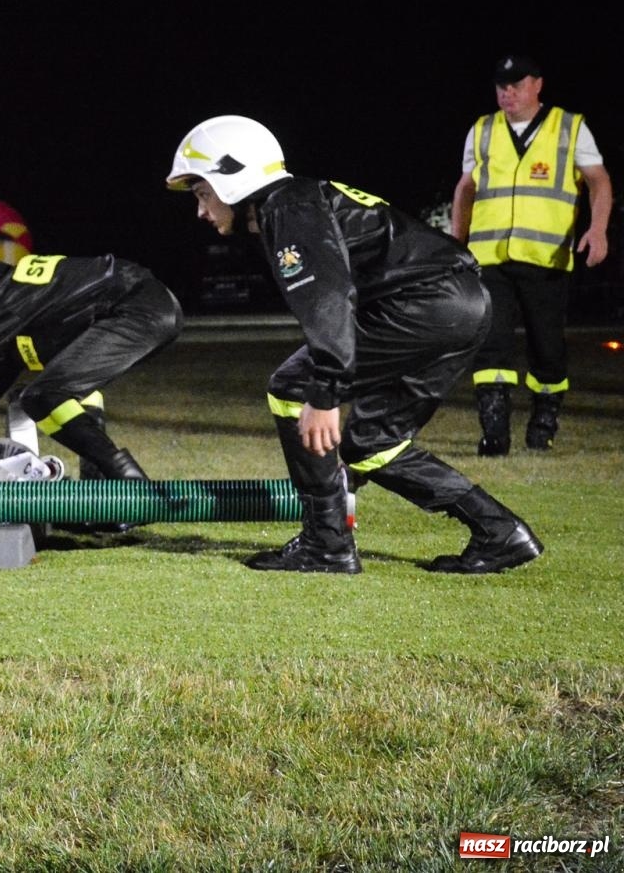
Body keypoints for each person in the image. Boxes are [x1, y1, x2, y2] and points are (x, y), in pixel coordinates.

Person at [168, 114, 544, 575]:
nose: (201, 211)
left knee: (290, 387)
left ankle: (326, 544)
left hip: (424, 304)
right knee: (372, 443)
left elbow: (330, 297)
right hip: (462, 302)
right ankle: (500, 532)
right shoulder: (301, 198)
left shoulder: (286, 208)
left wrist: (324, 391)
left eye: (202, 193)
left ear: (233, 178)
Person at [0, 246, 182, 483]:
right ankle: (102, 491)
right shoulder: (5, 294)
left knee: (43, 396)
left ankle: (131, 486)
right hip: (144, 303)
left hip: (137, 307)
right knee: (61, 391)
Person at [450, 54, 612, 455]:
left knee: (547, 346)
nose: (507, 94)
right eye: (501, 86)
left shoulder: (570, 128)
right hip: (489, 256)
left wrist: (597, 230)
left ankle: (543, 423)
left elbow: (599, 182)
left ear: (537, 85)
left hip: (546, 257)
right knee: (490, 343)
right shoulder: (483, 130)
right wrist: (457, 242)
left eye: (516, 85)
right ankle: (494, 433)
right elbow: (465, 189)